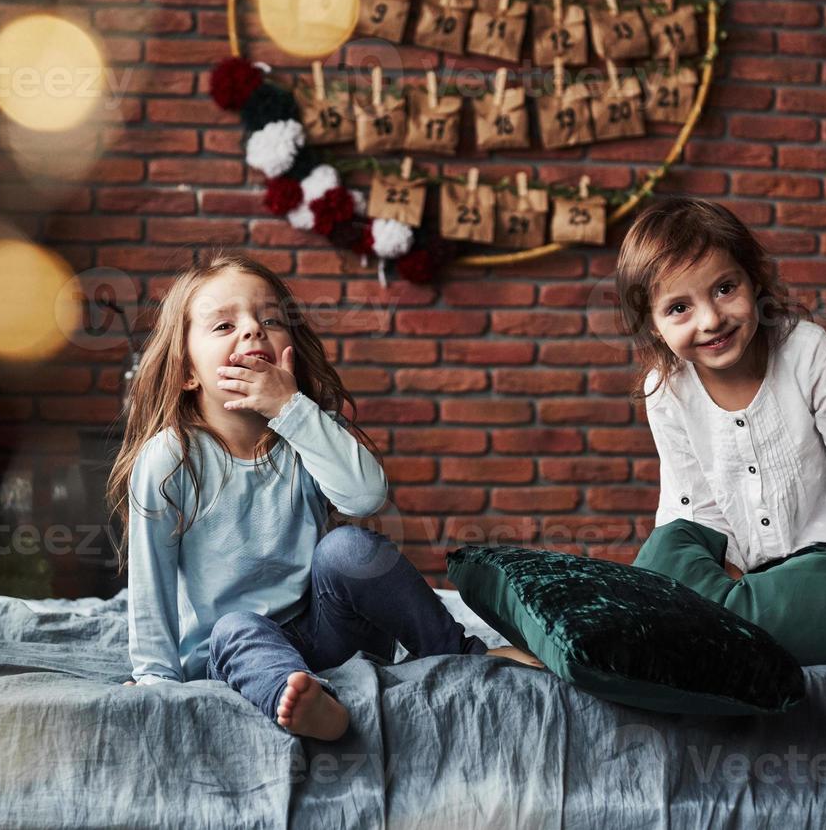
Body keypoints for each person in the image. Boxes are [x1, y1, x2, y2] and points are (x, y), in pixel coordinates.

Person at [107, 250, 539, 742]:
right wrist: (156, 678)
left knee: (349, 548)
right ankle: (304, 701)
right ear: (187, 371)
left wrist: (291, 410)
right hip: (236, 651)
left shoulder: (305, 429)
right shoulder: (171, 458)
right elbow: (151, 583)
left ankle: (458, 652)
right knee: (234, 627)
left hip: (326, 631)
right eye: (224, 326)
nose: (252, 331)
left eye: (269, 318)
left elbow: (365, 497)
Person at [615, 196, 826, 596]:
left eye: (725, 288)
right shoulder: (666, 388)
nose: (711, 320)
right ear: (653, 325)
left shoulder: (807, 351)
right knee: (660, 566)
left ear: (754, 280)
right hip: (731, 572)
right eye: (678, 308)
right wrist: (737, 599)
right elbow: (697, 507)